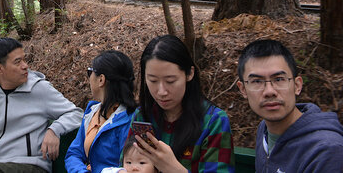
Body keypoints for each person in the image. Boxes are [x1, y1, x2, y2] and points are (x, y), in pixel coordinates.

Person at [0, 37, 83, 173]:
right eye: (17, 62)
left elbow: (76, 113)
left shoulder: (39, 89)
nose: (25, 65)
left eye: (24, 59)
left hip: (31, 166)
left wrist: (54, 129)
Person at [128, 35, 234, 173]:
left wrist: (173, 169)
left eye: (170, 81)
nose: (161, 92)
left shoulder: (213, 121)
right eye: (153, 81)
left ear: (189, 74)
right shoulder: (142, 116)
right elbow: (124, 164)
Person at [237, 39, 343, 172]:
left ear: (297, 85)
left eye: (279, 79)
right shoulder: (264, 129)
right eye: (257, 81)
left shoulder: (326, 150)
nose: (269, 91)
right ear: (243, 89)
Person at [65, 50, 137, 173]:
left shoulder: (130, 119)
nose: (89, 78)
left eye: (90, 72)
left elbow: (128, 165)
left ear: (101, 79)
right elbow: (74, 154)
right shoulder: (92, 112)